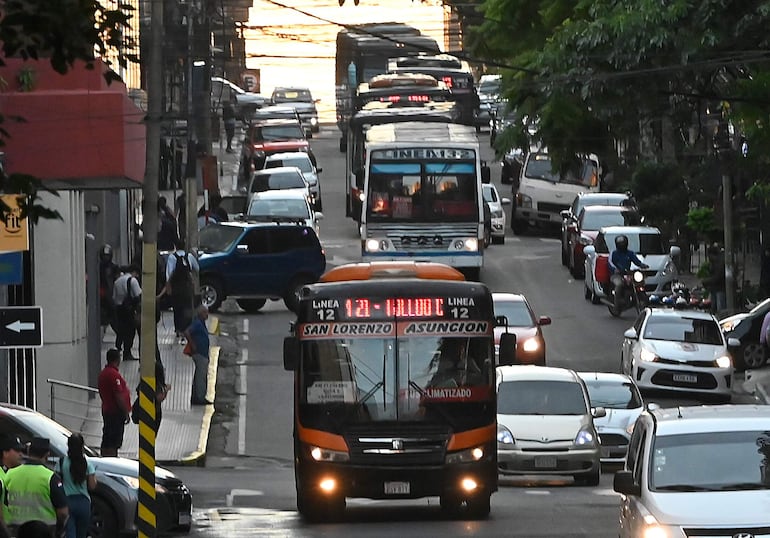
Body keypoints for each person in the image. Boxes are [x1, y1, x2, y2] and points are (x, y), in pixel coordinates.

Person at [5, 437, 68, 538]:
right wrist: (59, 529)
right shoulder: (50, 477)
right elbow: (63, 512)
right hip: (44, 531)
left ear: (29, 451)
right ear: (47, 455)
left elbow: (4, 503)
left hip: (15, 530)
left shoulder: (10, 474)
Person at [54, 434, 95, 538]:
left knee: (69, 533)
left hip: (67, 501)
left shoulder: (62, 462)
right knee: (82, 534)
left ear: (68, 446)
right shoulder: (88, 464)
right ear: (82, 446)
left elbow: (57, 482)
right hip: (84, 502)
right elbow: (92, 486)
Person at [97, 349, 131, 457]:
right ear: (117, 359)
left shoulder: (103, 374)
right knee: (113, 441)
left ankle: (107, 458)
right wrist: (125, 412)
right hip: (115, 412)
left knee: (107, 438)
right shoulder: (114, 375)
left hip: (107, 410)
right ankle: (111, 460)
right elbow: (118, 395)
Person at [165, 239, 199, 339]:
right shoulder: (189, 256)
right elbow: (197, 268)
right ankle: (186, 329)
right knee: (187, 308)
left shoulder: (172, 257)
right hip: (187, 288)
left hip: (176, 288)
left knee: (177, 309)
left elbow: (169, 273)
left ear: (175, 246)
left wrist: (168, 287)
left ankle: (178, 330)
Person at [111, 265, 142, 361]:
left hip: (119, 309)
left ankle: (118, 348)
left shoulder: (117, 281)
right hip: (129, 309)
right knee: (130, 331)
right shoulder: (132, 281)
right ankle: (127, 352)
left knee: (121, 330)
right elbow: (138, 295)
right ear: (134, 272)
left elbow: (114, 297)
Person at [184, 305, 211, 405]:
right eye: (205, 312)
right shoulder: (197, 324)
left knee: (199, 375)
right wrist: (193, 344)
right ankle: (200, 397)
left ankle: (196, 396)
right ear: (200, 314)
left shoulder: (201, 323)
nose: (207, 314)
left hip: (202, 353)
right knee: (201, 376)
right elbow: (187, 332)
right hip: (200, 353)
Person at [97, 245, 119, 331]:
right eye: (104, 256)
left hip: (111, 293)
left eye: (107, 256)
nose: (106, 258)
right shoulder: (98, 267)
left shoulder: (114, 267)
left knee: (114, 311)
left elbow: (116, 279)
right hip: (101, 293)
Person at [702, 242, 726, 313]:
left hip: (720, 288)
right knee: (714, 307)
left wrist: (707, 281)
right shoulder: (715, 262)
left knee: (720, 309)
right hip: (715, 288)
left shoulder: (719, 263)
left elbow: (717, 277)